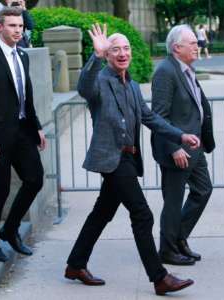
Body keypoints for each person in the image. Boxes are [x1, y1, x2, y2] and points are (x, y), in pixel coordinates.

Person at [65, 23, 198, 296]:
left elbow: (149, 118)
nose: (122, 53)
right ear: (108, 54)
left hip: (128, 157)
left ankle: (75, 265)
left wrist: (180, 136)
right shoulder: (100, 81)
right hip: (111, 160)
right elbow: (83, 88)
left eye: (126, 48)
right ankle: (159, 278)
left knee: (102, 212)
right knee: (142, 213)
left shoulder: (133, 86)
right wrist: (96, 56)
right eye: (115, 50)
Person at [0, 7, 46, 262]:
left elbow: (27, 96)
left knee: (35, 180)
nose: (17, 30)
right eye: (12, 26)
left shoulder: (22, 55)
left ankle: (10, 230)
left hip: (23, 132)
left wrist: (37, 127)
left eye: (20, 26)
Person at [151, 24, 215, 266]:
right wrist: (173, 146)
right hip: (177, 149)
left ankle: (179, 238)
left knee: (203, 190)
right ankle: (167, 250)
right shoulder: (165, 72)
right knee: (174, 200)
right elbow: (158, 115)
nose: (197, 46)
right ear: (177, 48)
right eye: (192, 43)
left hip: (195, 147)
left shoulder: (186, 69)